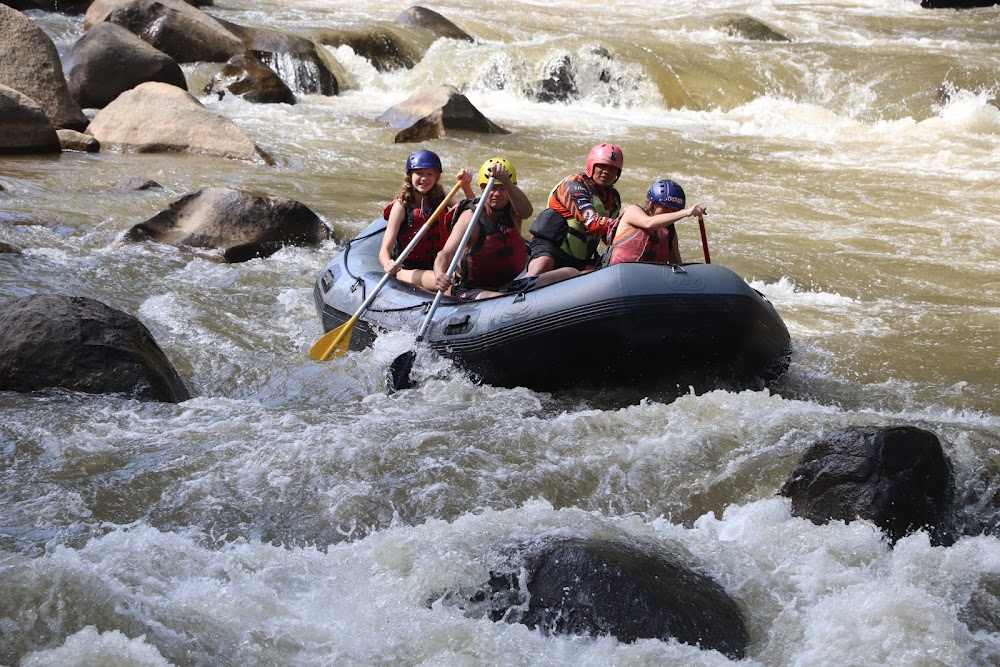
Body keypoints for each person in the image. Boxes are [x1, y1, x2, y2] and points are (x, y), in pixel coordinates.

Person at [434, 158, 579, 300]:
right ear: (483, 188)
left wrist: (506, 181)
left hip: (509, 286)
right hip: (472, 290)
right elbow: (444, 254)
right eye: (492, 188)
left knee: (570, 273)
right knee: (500, 300)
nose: (497, 194)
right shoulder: (470, 218)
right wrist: (440, 274)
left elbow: (527, 212)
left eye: (502, 189)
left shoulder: (513, 212)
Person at [379, 149, 474, 291]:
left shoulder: (443, 195)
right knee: (451, 285)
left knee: (460, 279)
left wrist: (466, 187)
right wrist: (388, 263)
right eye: (419, 173)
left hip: (440, 265)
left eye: (430, 174)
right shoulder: (401, 205)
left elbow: (472, 213)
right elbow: (384, 250)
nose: (424, 178)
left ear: (436, 176)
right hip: (408, 270)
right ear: (410, 175)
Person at [525, 142, 624, 275]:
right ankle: (522, 287)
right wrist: (627, 224)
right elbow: (592, 222)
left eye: (612, 168)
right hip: (551, 247)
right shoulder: (574, 186)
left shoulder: (614, 199)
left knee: (603, 271)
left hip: (580, 257)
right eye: (601, 166)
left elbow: (609, 237)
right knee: (542, 265)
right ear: (591, 166)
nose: (606, 172)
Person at [601, 179, 707, 266]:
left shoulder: (670, 232)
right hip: (619, 276)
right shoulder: (632, 211)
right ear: (652, 204)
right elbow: (649, 223)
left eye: (674, 211)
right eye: (665, 207)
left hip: (651, 282)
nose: (669, 213)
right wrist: (687, 212)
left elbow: (677, 264)